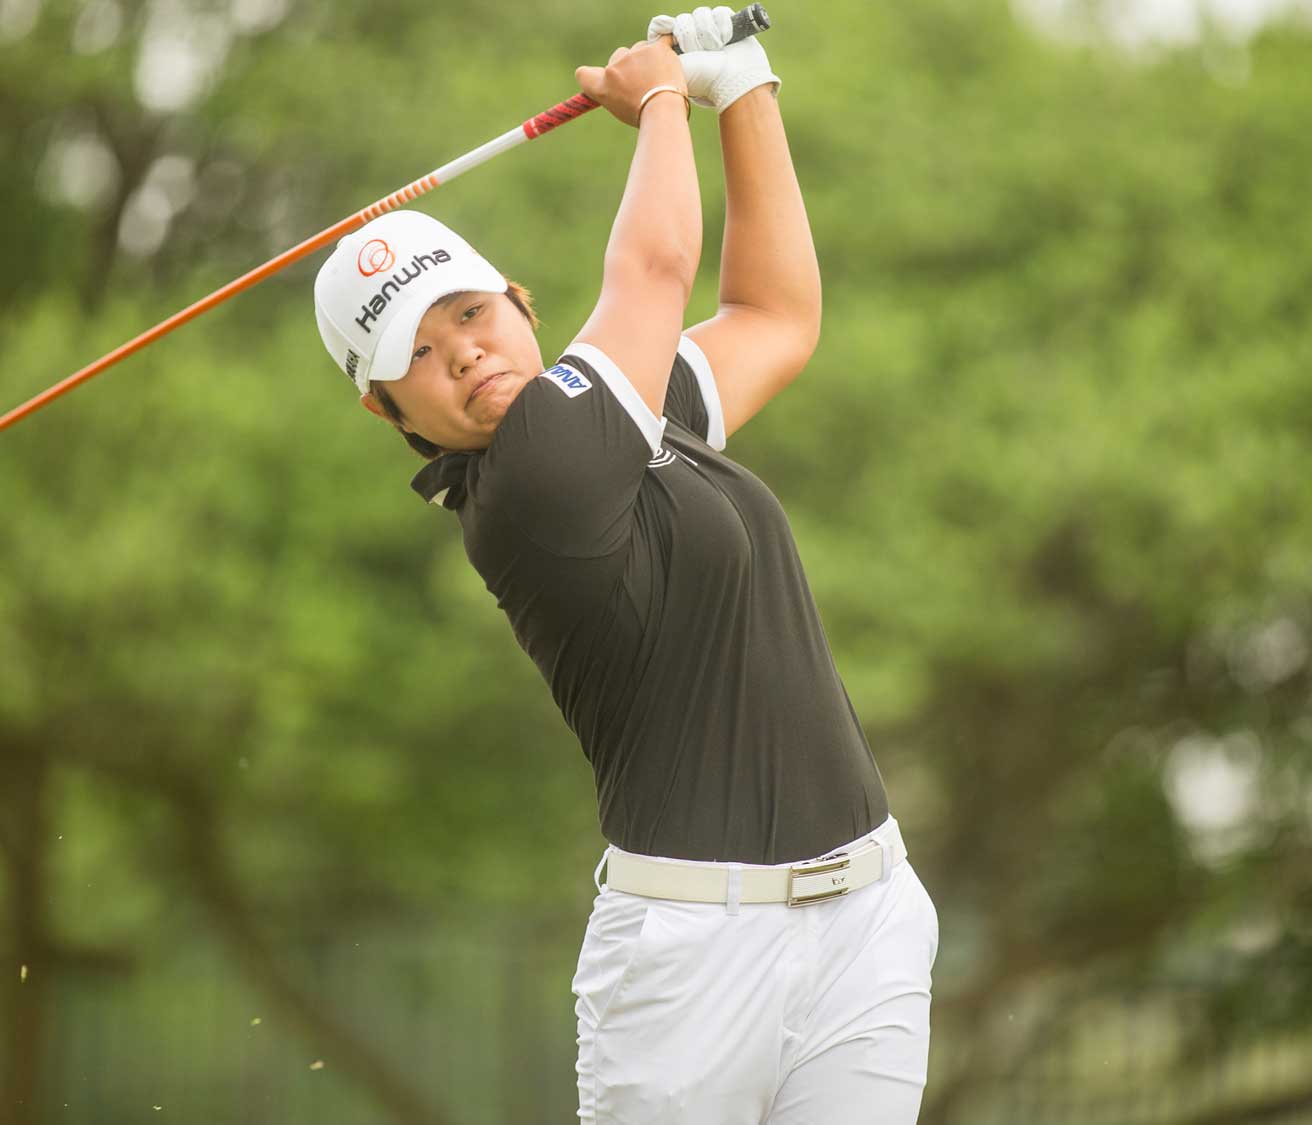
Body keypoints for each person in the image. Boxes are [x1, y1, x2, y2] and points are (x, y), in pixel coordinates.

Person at [312, 8, 939, 1122]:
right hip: (689, 965)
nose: (458, 348)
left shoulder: (633, 421)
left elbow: (774, 316)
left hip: (864, 915)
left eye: (467, 311)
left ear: (516, 303)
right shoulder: (526, 486)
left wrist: (743, 87)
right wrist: (658, 95)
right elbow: (655, 265)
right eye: (415, 350)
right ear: (383, 407)